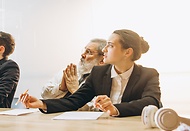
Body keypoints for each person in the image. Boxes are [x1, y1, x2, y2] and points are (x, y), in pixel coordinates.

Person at [20, 29, 161, 117]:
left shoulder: (148, 74)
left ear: (127, 52)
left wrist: (115, 109)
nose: (104, 49)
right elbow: (75, 100)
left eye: (110, 45)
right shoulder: (98, 72)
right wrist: (42, 104)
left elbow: (152, 101)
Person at [41, 38, 106, 110]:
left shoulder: (104, 79)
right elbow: (44, 93)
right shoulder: (72, 70)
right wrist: (61, 88)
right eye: (84, 50)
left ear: (102, 60)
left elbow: (95, 109)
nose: (82, 54)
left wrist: (75, 90)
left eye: (88, 52)